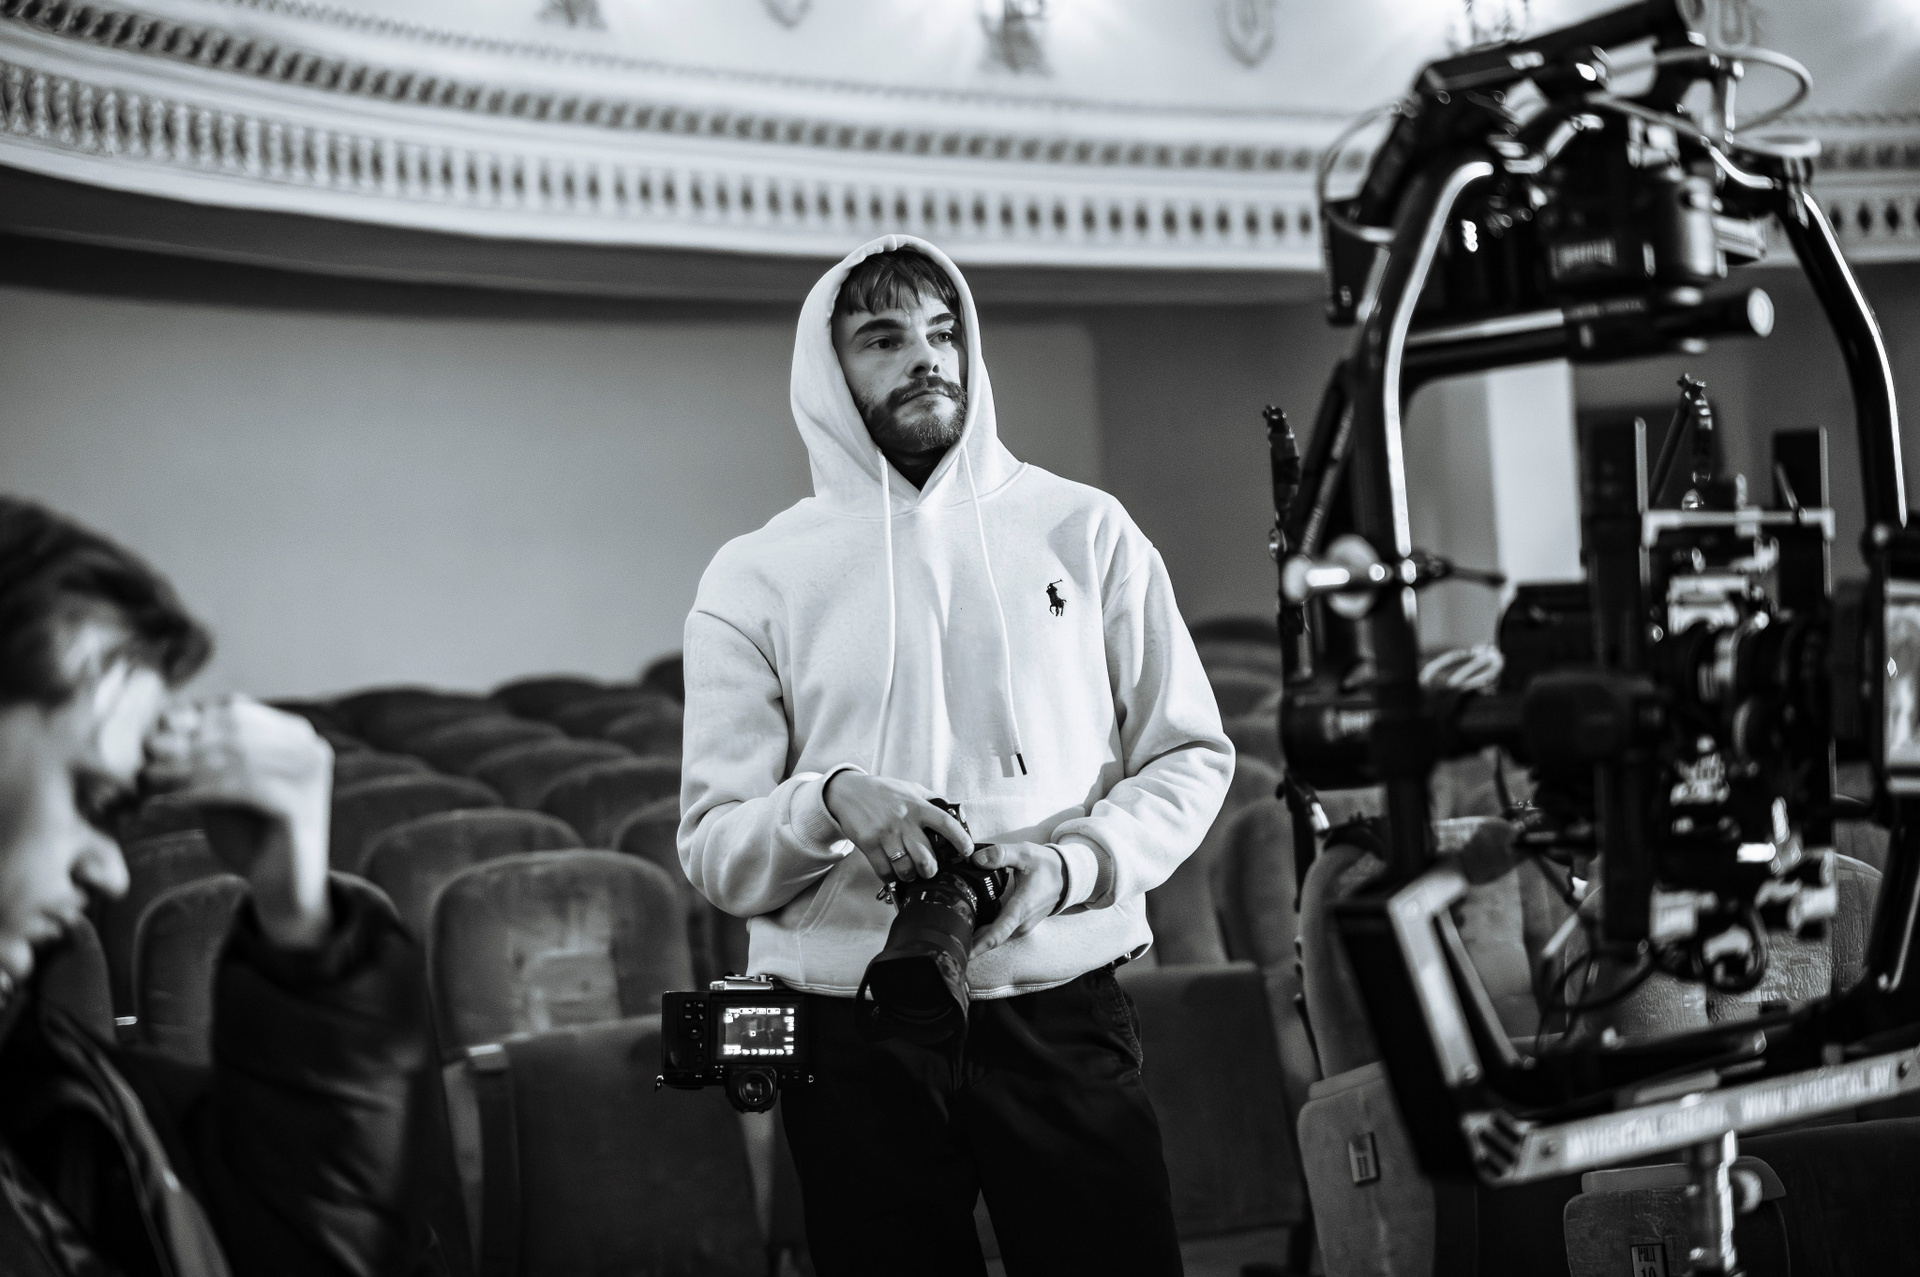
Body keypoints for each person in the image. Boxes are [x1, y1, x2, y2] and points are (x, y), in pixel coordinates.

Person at [679, 236, 1232, 1275]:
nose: (925, 357)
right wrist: (829, 802)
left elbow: (1189, 754)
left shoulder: (1088, 529)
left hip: (1060, 1001)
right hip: (849, 1029)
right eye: (883, 339)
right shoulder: (753, 575)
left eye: (943, 332)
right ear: (829, 372)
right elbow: (715, 847)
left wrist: (1070, 865)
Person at [0, 497, 433, 1276]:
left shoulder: (58, 1088)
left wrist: (297, 914)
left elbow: (304, 1252)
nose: (111, 872)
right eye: (91, 797)